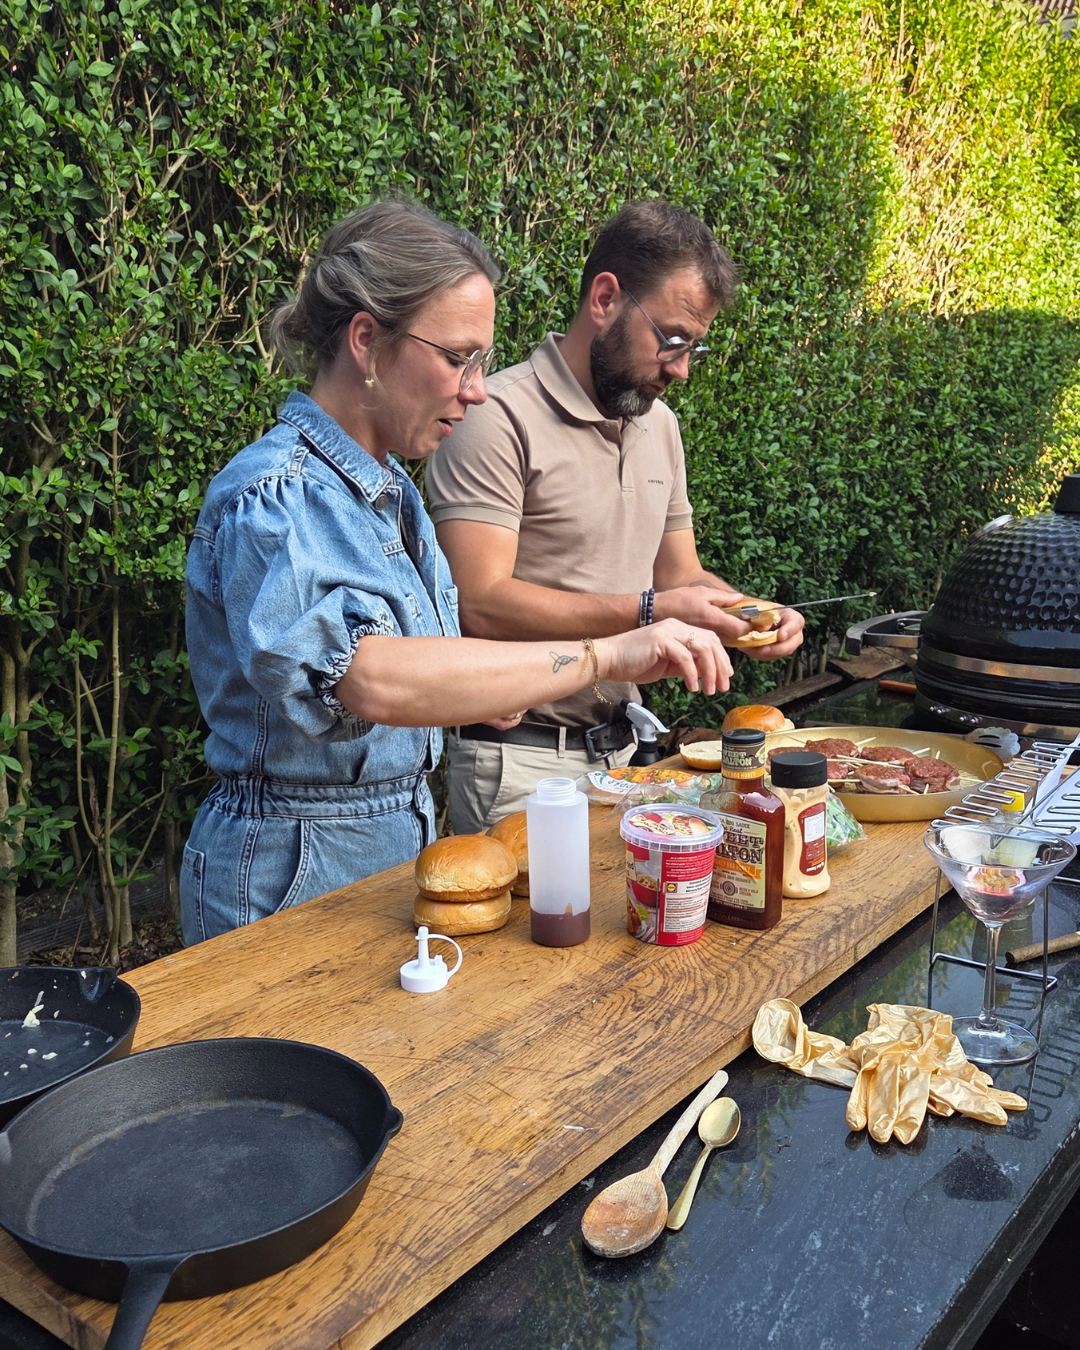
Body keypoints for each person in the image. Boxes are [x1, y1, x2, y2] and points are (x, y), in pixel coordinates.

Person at [181, 200, 732, 943]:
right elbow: (369, 679)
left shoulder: (391, 495)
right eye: (458, 358)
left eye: (482, 362)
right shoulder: (276, 495)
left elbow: (431, 665)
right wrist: (605, 654)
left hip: (390, 848)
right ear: (368, 341)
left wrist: (494, 686)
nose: (476, 389)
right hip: (286, 866)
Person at [427, 200, 806, 833]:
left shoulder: (661, 426)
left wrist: (751, 616)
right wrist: (651, 612)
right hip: (519, 760)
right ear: (605, 299)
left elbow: (681, 577)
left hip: (627, 759)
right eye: (672, 340)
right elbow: (478, 602)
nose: (681, 369)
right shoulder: (495, 416)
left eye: (695, 348)